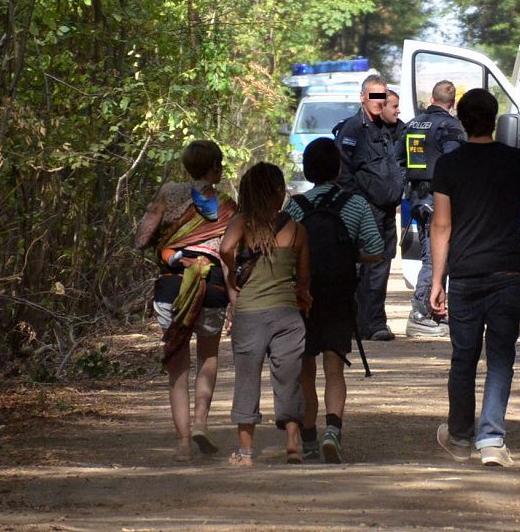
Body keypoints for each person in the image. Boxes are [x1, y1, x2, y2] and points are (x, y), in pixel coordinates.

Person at [430, 88, 520, 467]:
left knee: (463, 357)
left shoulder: (448, 165)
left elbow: (441, 226)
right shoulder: (516, 160)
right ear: (496, 120)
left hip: (466, 275)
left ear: (462, 121)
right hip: (507, 272)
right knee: (501, 358)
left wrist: (438, 280)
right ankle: (491, 441)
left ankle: (458, 438)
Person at [134, 139, 236, 462]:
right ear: (215, 168)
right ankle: (202, 423)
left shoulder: (168, 193)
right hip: (213, 287)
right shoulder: (227, 206)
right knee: (208, 357)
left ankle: (183, 444)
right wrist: (234, 298)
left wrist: (168, 242)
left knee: (177, 366)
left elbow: (141, 238)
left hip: (171, 287)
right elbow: (228, 258)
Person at [284, 138, 384, 463]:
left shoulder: (295, 206)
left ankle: (310, 438)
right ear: (338, 168)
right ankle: (333, 432)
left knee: (305, 372)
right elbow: (376, 250)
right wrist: (349, 254)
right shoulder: (355, 205)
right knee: (334, 370)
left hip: (302, 298)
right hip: (340, 297)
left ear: (307, 169)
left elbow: (284, 250)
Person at [218, 163, 311, 467]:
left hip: (249, 315)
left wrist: (233, 276)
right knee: (289, 379)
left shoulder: (242, 223)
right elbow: (304, 281)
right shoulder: (296, 230)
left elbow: (224, 248)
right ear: (281, 192)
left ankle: (245, 453)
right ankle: (293, 443)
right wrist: (301, 296)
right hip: (287, 315)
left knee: (247, 379)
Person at [334, 74, 405, 341]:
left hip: (386, 211)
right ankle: (366, 324)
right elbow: (342, 171)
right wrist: (358, 205)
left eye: (383, 96)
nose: (379, 101)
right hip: (365, 210)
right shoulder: (353, 129)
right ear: (363, 97)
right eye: (375, 95)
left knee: (382, 266)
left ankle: (373, 322)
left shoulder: (387, 128)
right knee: (365, 269)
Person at [398, 80, 466, 337]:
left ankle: (436, 311)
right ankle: (420, 313)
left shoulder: (412, 124)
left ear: (432, 99)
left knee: (437, 255)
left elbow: (399, 160)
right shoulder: (451, 126)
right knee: (434, 257)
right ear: (453, 102)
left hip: (417, 199)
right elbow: (454, 163)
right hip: (440, 200)